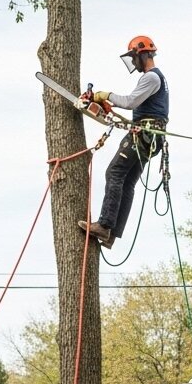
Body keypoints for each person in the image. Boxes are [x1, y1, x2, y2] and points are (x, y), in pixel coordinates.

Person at [78, 34, 169, 250]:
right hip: (151, 137)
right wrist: (110, 106)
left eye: (134, 57)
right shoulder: (157, 79)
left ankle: (105, 225)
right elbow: (137, 106)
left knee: (114, 173)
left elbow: (129, 102)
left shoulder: (151, 77)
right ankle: (112, 234)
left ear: (143, 54)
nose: (133, 62)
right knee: (127, 182)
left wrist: (105, 94)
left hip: (143, 136)